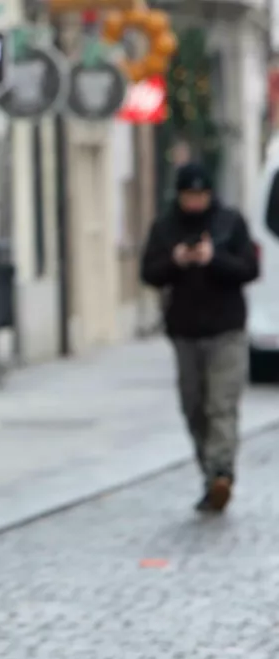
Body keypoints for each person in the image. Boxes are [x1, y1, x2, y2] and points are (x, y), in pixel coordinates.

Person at [141, 161, 259, 513]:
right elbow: (149, 273)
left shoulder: (229, 222)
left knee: (221, 404)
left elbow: (250, 269)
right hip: (185, 331)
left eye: (200, 194)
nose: (195, 201)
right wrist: (176, 260)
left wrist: (214, 258)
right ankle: (210, 475)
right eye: (189, 195)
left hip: (227, 330)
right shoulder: (165, 228)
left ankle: (222, 473)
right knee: (194, 408)